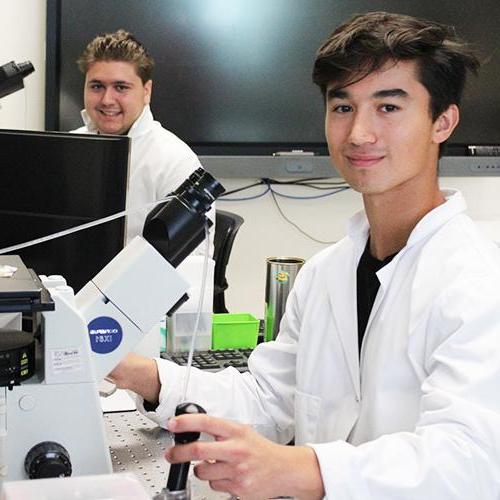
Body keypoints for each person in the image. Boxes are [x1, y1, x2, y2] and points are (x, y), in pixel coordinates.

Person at [110, 11, 500, 499]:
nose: (358, 133)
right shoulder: (324, 274)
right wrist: (127, 369)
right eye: (342, 108)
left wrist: (306, 470)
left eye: (388, 108)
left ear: (442, 121)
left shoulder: (479, 282)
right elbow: (270, 400)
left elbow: (472, 461)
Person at [73, 30, 209, 246]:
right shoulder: (69, 149)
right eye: (97, 86)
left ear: (147, 91)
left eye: (121, 87)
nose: (107, 99)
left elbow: (191, 263)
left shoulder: (176, 162)